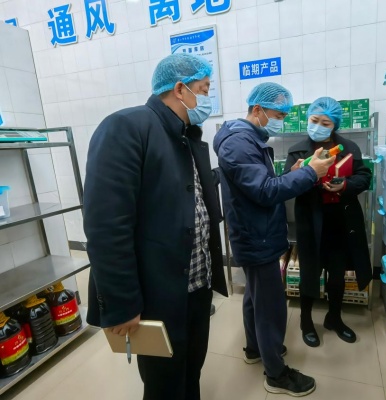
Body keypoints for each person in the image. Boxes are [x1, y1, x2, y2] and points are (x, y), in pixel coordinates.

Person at [83, 53, 227, 400]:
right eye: (203, 89)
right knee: (164, 383)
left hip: (196, 284)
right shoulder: (127, 127)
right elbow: (106, 226)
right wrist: (122, 303)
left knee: (191, 368)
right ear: (180, 89)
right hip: (157, 293)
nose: (207, 98)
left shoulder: (186, 137)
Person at [213, 82, 335, 397]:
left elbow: (260, 185)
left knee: (256, 297)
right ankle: (276, 375)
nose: (281, 121)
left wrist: (294, 172)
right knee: (270, 306)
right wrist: (311, 173)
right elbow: (266, 192)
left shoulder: (248, 139)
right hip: (257, 236)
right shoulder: (239, 143)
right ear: (258, 109)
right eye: (278, 115)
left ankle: (256, 348)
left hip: (256, 231)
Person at [284, 97, 372, 348]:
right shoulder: (297, 151)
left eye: (326, 123)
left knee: (337, 273)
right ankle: (306, 321)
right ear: (308, 119)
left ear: (335, 125)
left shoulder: (349, 148)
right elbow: (285, 184)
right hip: (310, 220)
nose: (318, 127)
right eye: (314, 121)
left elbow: (364, 177)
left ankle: (334, 318)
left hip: (340, 220)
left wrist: (344, 185)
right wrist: (296, 173)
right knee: (309, 273)